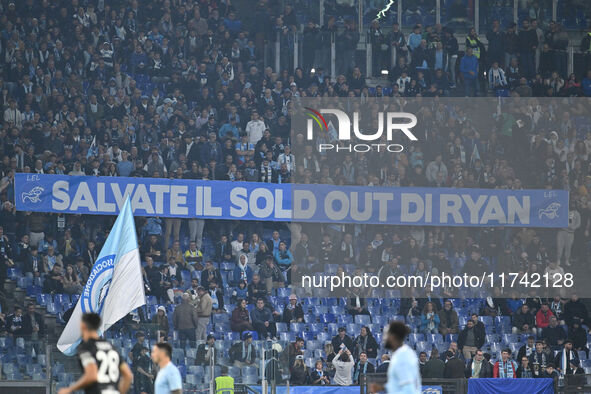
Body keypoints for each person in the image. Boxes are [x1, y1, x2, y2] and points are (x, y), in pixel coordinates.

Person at [57, 313, 132, 394]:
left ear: (83, 326)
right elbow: (128, 375)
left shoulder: (87, 347)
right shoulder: (111, 347)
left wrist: (70, 389)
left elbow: (91, 374)